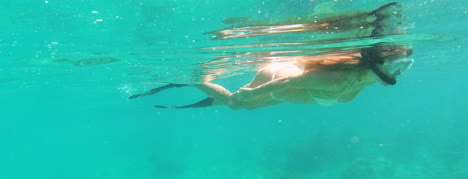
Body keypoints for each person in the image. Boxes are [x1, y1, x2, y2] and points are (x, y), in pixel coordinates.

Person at [129, 2, 414, 110]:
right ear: (376, 64)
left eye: (401, 67)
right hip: (279, 80)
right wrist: (251, 94)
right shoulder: (339, 80)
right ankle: (194, 78)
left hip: (287, 81)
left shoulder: (362, 77)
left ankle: (198, 81)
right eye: (397, 66)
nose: (399, 73)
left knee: (239, 104)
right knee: (235, 104)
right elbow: (289, 84)